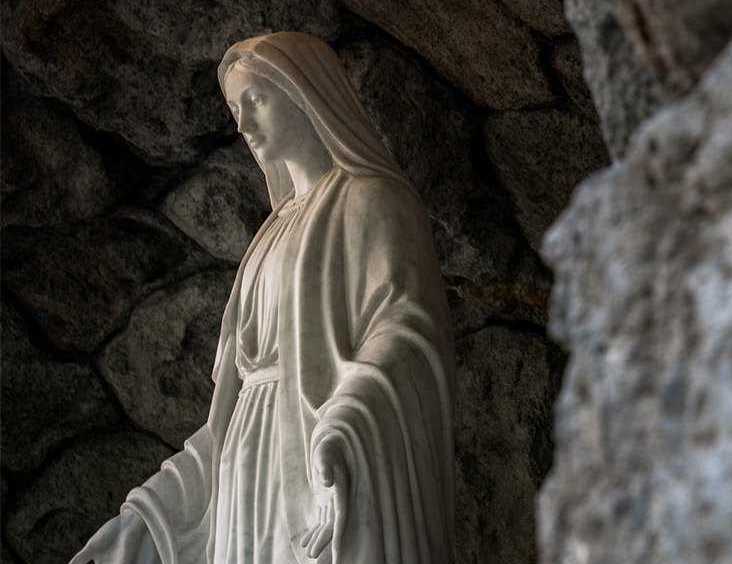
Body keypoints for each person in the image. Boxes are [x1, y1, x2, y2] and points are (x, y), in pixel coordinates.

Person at [71, 32, 456, 564]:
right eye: (235, 108)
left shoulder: (373, 199)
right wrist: (145, 517)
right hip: (247, 473)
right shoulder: (268, 235)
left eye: (257, 100)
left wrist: (348, 419)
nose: (243, 125)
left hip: (316, 448)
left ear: (306, 93)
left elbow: (406, 331)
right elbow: (229, 412)